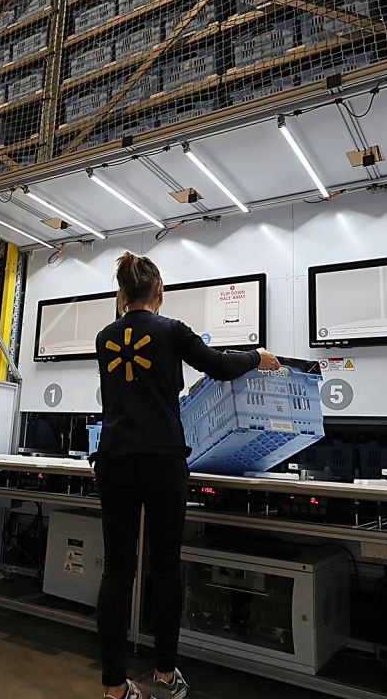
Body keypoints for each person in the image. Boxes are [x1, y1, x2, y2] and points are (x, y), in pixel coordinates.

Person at [91, 252, 279, 699]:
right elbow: (218, 365)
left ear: (121, 293)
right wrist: (258, 356)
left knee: (117, 570)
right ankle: (164, 676)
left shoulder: (104, 337)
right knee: (165, 565)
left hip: (114, 458)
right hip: (162, 458)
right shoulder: (171, 329)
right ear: (159, 291)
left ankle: (115, 688)